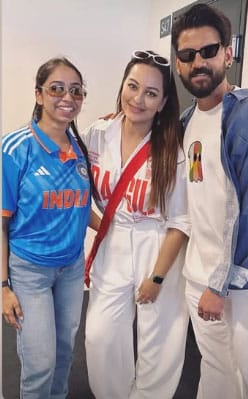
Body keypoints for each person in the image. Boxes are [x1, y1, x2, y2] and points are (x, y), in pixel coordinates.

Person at [81, 50, 190, 399]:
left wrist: (157, 276)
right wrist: (104, 226)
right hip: (113, 246)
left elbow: (180, 220)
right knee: (100, 335)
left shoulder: (172, 147)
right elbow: (75, 188)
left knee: (159, 339)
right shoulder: (98, 133)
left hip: (157, 245)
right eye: (133, 86)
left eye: (151, 93)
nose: (138, 99)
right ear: (122, 86)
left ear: (162, 103)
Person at [171, 3, 248, 399]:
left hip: (244, 284)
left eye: (208, 51)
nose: (199, 63)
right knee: (217, 369)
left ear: (228, 52)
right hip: (198, 276)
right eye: (188, 56)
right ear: (177, 64)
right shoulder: (185, 122)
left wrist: (220, 285)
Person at [2, 57, 98, 399]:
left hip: (71, 268)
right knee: (39, 361)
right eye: (57, 88)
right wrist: (3, 286)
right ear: (39, 95)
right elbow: (1, 223)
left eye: (76, 90)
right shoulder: (16, 148)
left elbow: (80, 208)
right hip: (29, 271)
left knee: (64, 354)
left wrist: (116, 233)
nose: (67, 97)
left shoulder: (80, 149)